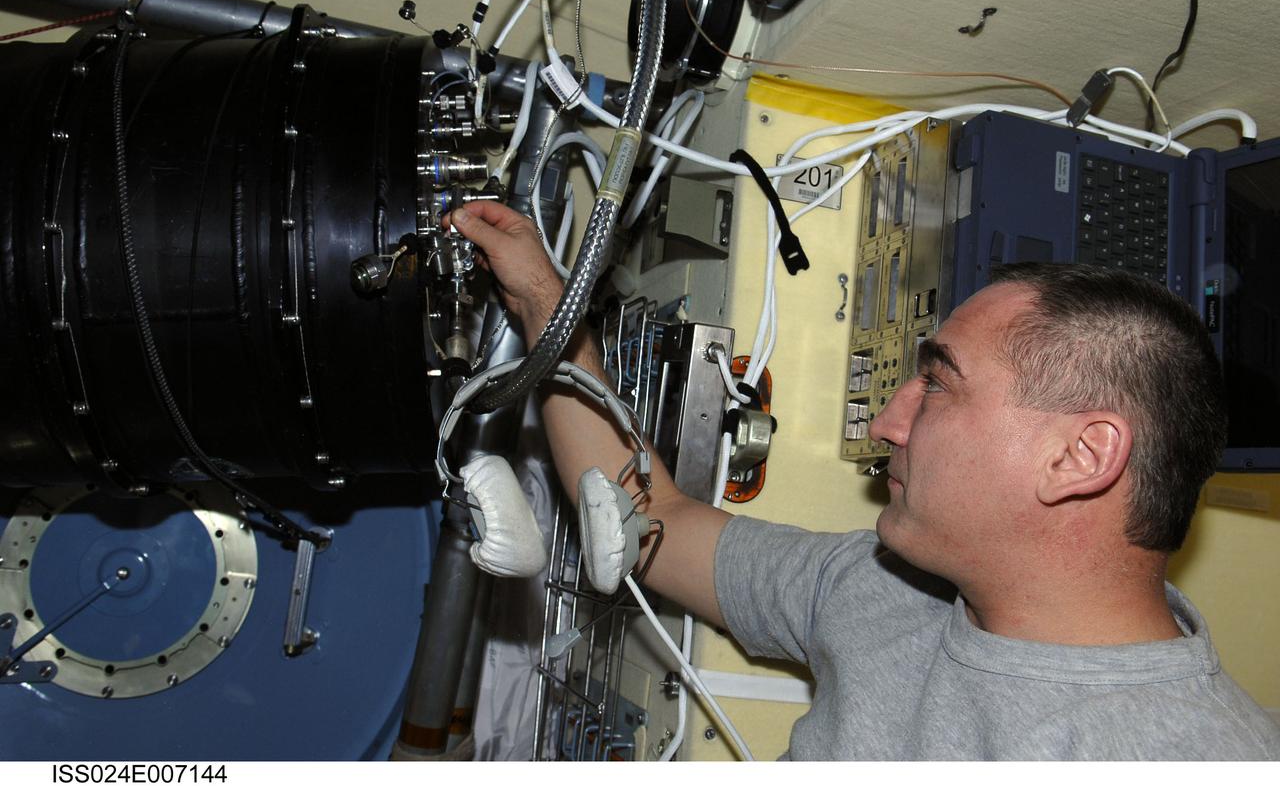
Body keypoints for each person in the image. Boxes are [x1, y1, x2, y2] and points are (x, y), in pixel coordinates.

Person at [445, 200, 1280, 761]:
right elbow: (647, 516)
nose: (887, 423)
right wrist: (544, 302)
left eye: (939, 383)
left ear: (1080, 457)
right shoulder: (883, 588)